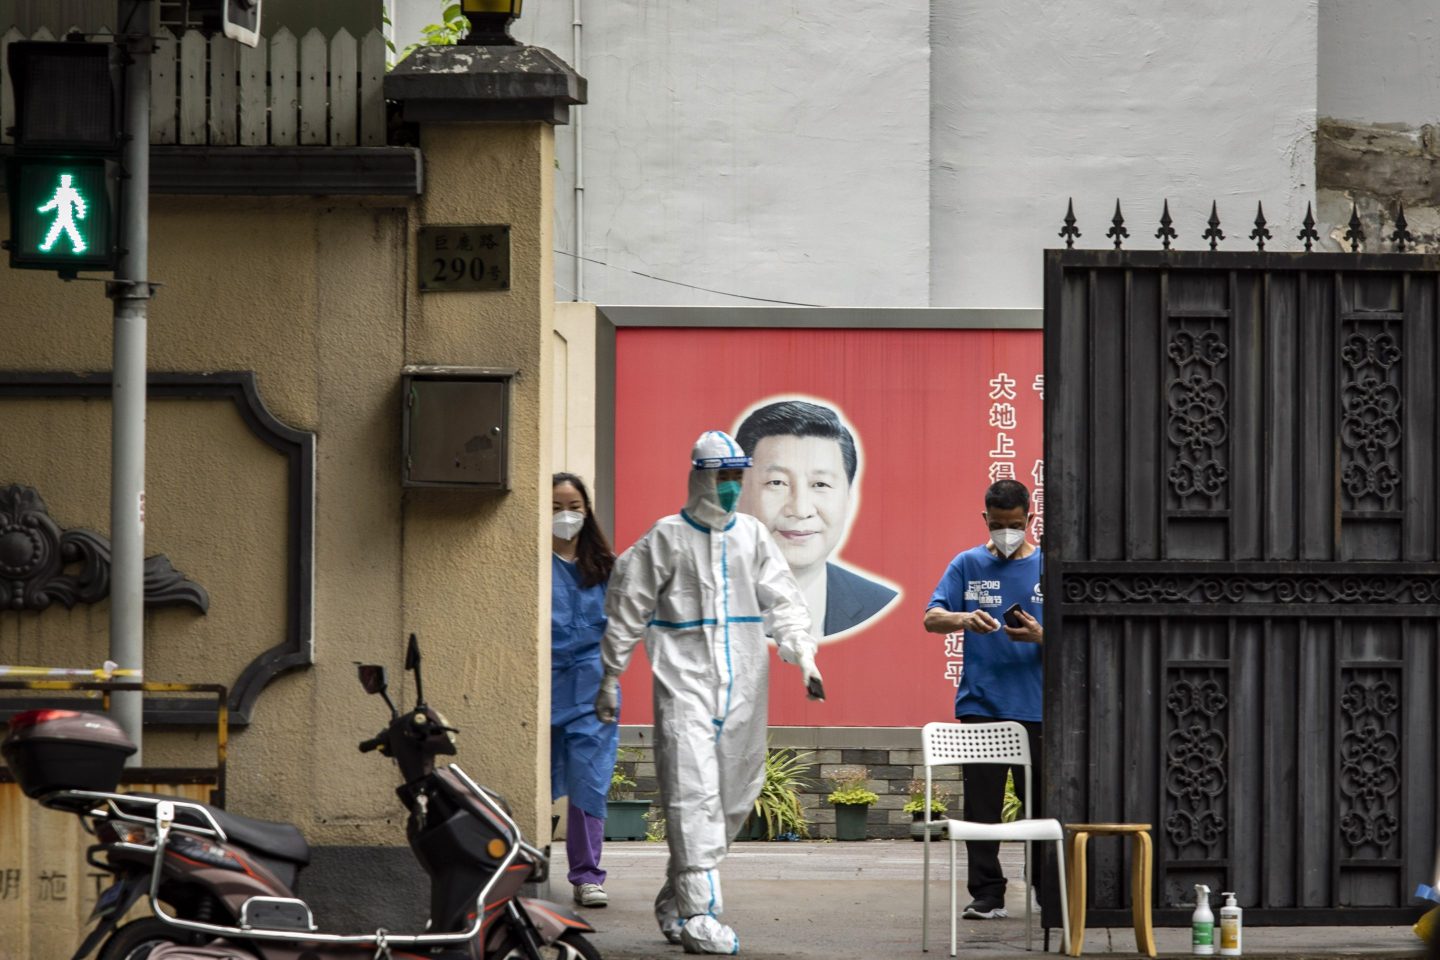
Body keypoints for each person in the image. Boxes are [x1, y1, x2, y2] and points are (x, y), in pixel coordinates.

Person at [594, 430, 823, 955]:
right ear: (699, 478)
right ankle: (700, 915)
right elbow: (627, 607)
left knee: (733, 799)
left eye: (736, 477)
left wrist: (802, 654)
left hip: (745, 688)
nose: (730, 487)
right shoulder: (666, 538)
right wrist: (610, 675)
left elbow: (784, 602)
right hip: (684, 687)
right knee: (691, 795)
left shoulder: (753, 536)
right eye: (721, 477)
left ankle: (676, 900)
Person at [922, 478, 1044, 921]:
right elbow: (931, 618)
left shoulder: (1049, 566)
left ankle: (1047, 890)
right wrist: (962, 619)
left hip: (1038, 708)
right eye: (997, 524)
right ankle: (988, 894)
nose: (1006, 532)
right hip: (982, 705)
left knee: (1043, 808)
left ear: (1030, 518)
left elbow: (1079, 635)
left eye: (1014, 524)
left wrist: (1041, 636)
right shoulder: (967, 563)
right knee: (981, 808)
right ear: (985, 519)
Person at [733, 400, 897, 637]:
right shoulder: (693, 604)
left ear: (848, 499)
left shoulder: (882, 606)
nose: (800, 510)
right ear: (737, 495)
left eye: (820, 484)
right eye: (777, 482)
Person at [550, 472, 619, 909]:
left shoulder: (606, 567)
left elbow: (623, 628)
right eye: (556, 507)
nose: (566, 515)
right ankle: (527, 863)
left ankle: (587, 875)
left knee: (588, 783)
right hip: (542, 688)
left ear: (587, 511)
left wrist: (611, 680)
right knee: (533, 781)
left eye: (574, 507)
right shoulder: (532, 564)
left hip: (593, 693)